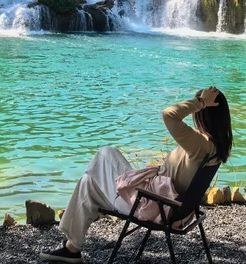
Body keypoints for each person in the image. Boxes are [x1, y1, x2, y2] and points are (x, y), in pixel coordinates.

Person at [39, 86, 233, 263]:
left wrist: (199, 102)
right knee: (89, 182)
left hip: (153, 205)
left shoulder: (199, 144)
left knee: (105, 154)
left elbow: (169, 115)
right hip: (173, 207)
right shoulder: (216, 146)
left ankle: (72, 248)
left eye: (199, 110)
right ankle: (71, 248)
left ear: (203, 113)